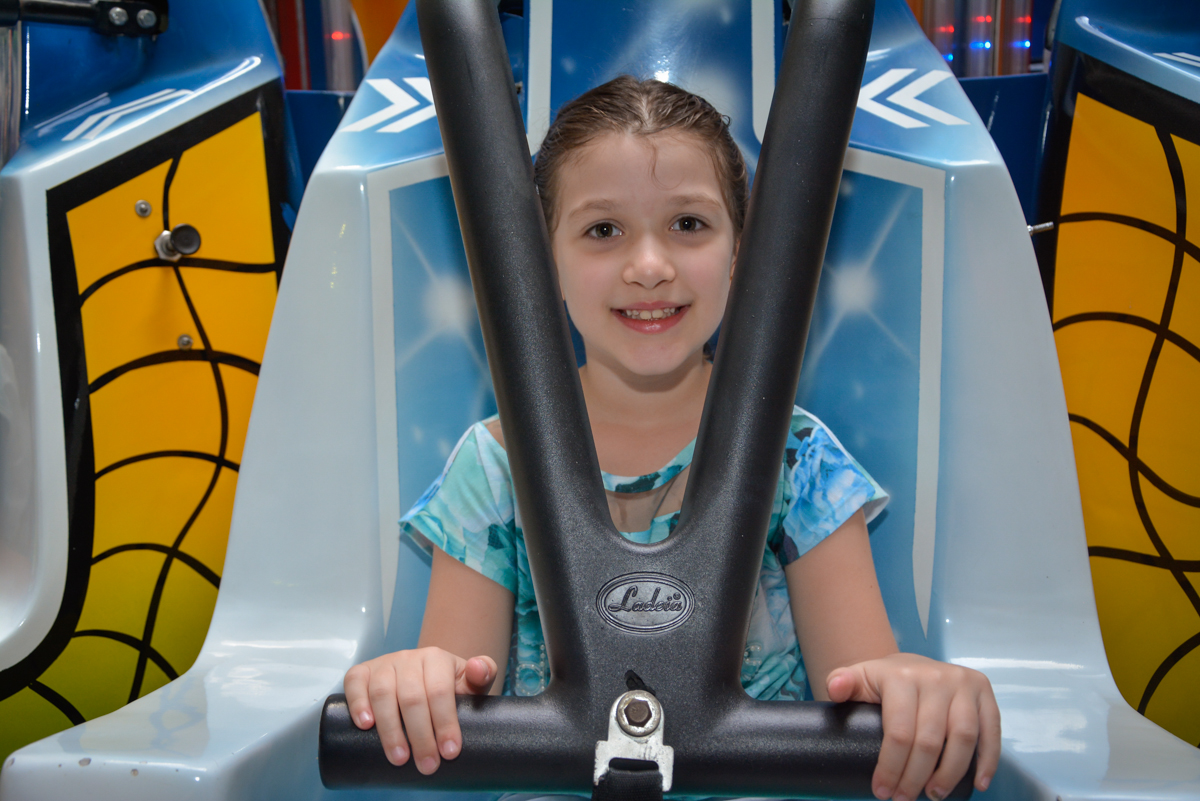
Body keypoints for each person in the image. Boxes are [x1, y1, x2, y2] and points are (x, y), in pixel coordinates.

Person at [344, 76, 1000, 801]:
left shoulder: (799, 458)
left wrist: (918, 692)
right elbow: (455, 688)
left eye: (688, 224)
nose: (649, 266)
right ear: (540, 260)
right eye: (603, 230)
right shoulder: (494, 467)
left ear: (742, 251)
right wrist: (415, 680)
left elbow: (867, 690)